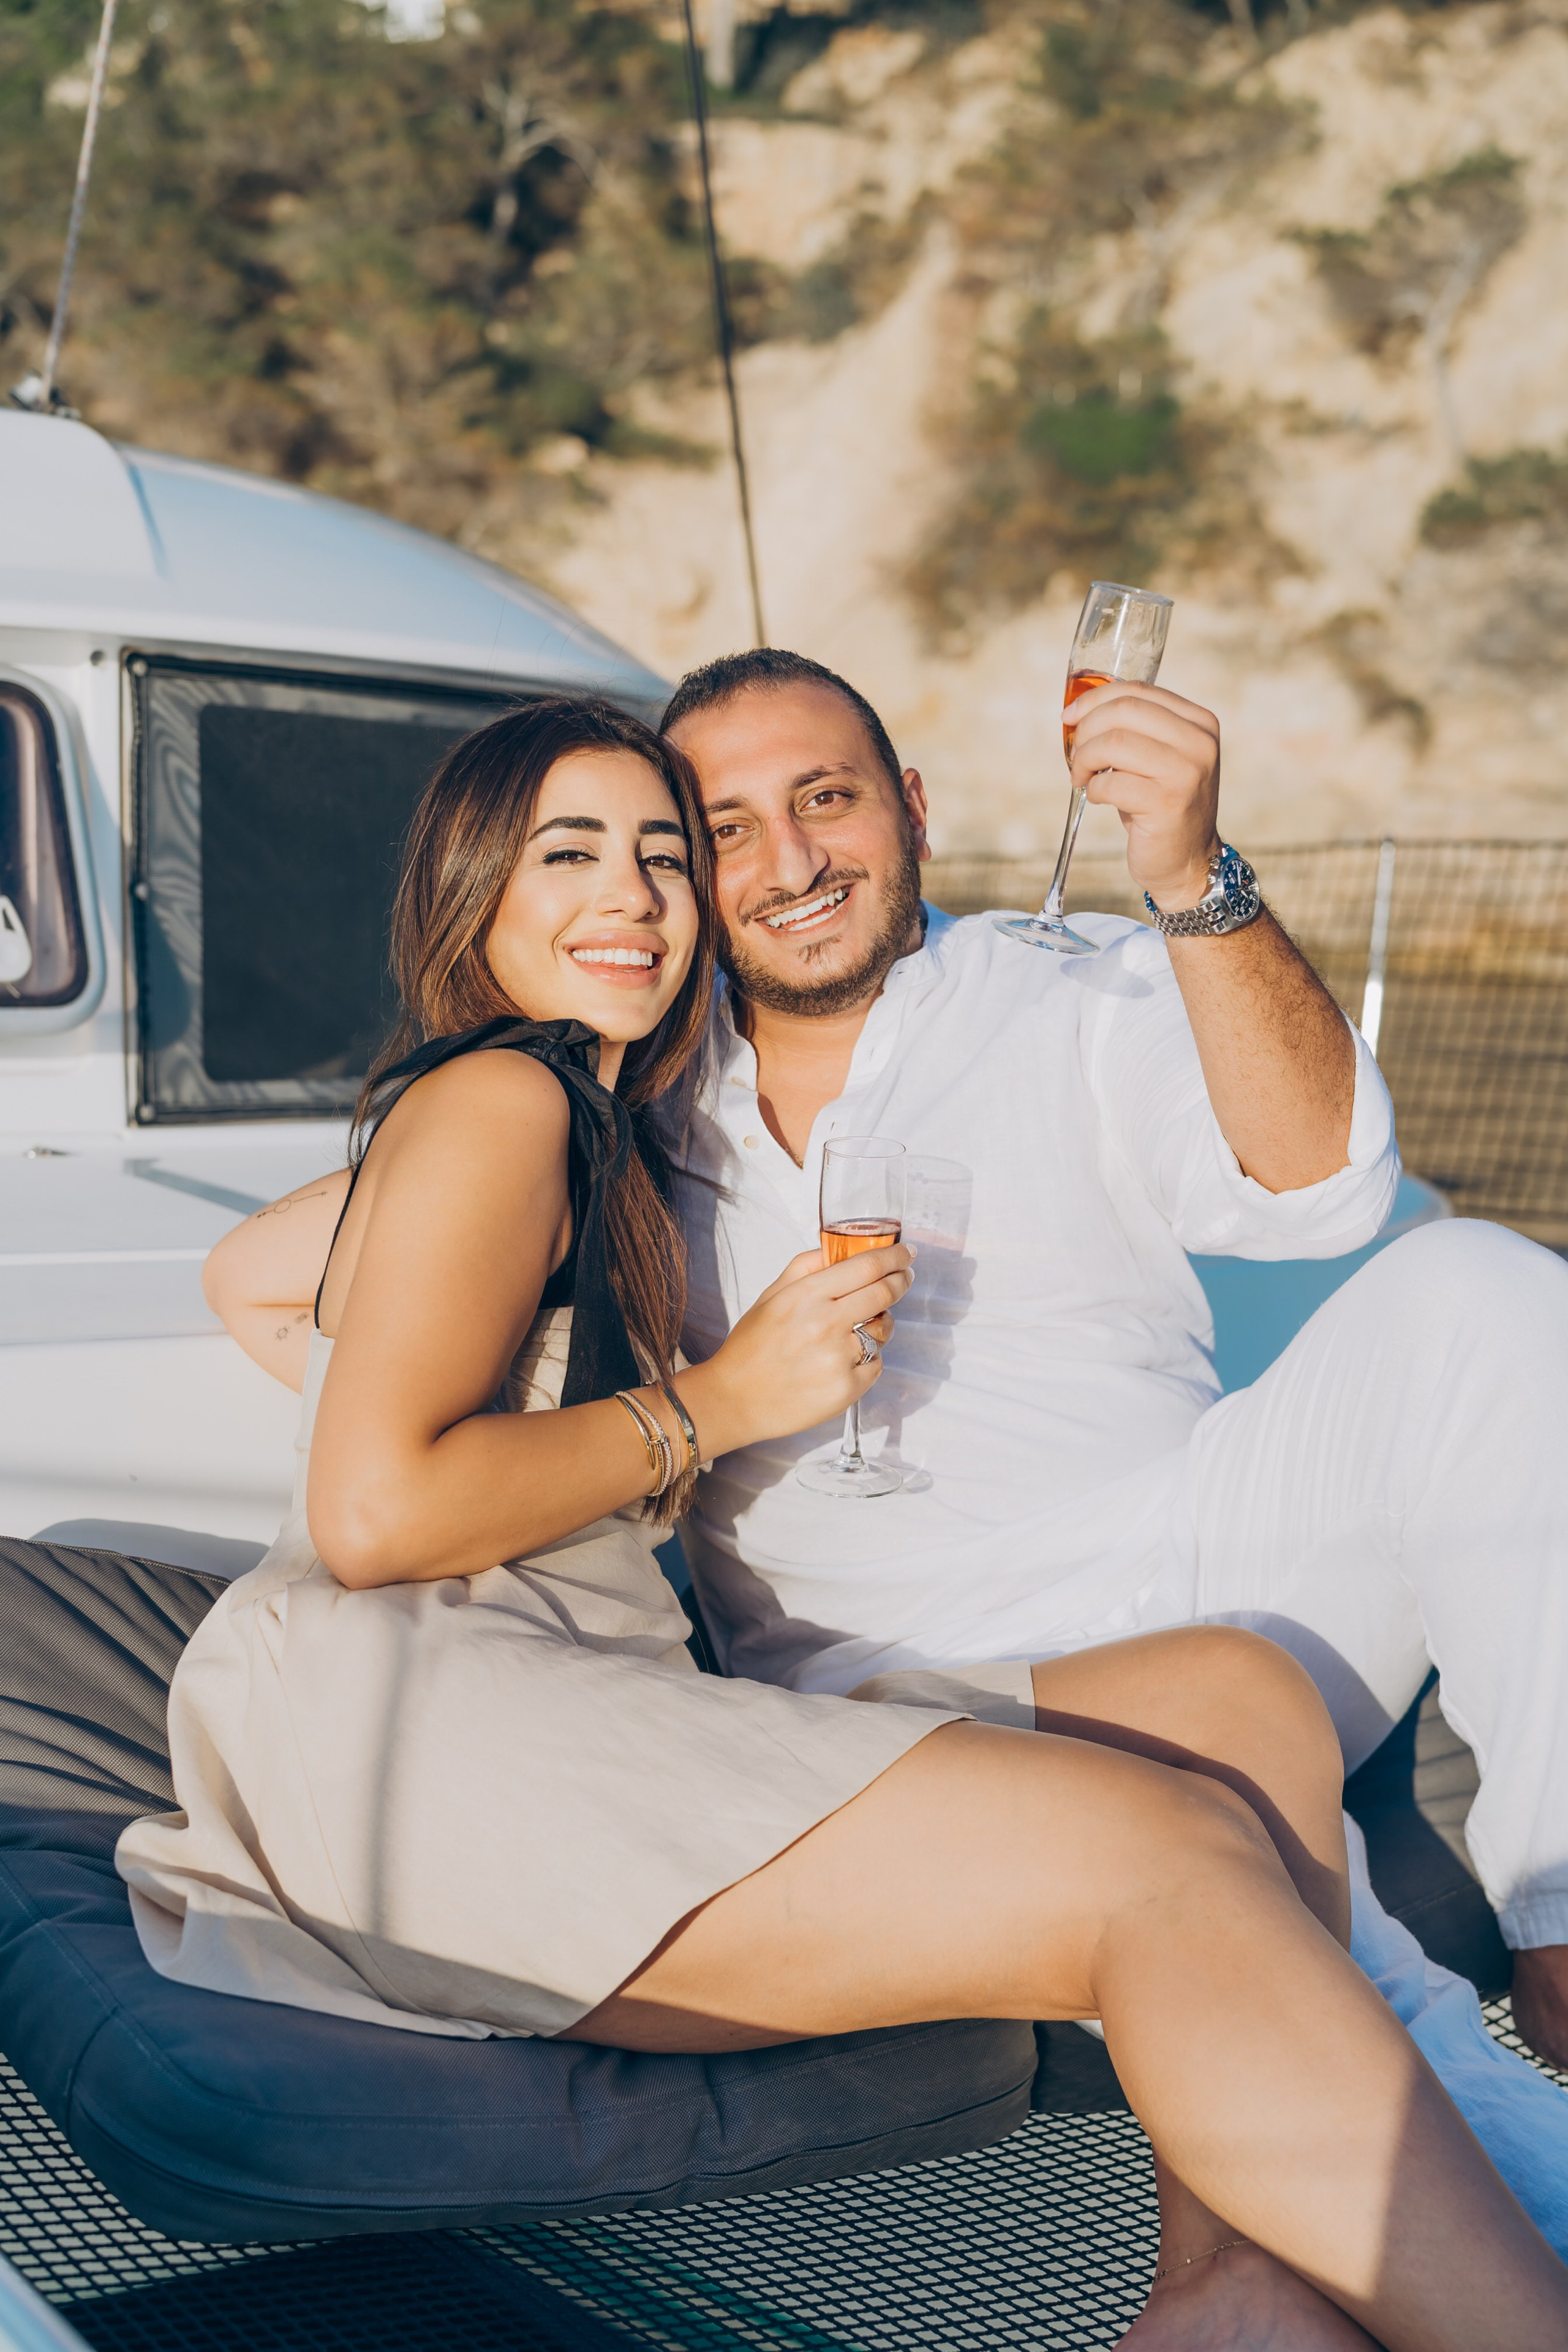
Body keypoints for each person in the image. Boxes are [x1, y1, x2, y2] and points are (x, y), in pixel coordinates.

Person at [122, 693, 1568, 2351]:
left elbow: (254, 1284)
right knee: (1170, 1853)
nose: (649, 894)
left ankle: (1231, 2282)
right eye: (591, 853)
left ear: (915, 809)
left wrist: (481, 1383)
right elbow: (374, 1515)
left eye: (664, 854)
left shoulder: (585, 1107)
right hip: (452, 1730)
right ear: (474, 898)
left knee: (1236, 1697)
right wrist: (708, 1410)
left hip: (524, 1690)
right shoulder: (520, 1108)